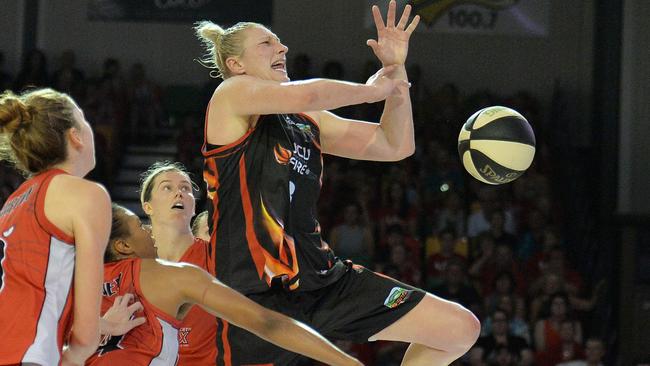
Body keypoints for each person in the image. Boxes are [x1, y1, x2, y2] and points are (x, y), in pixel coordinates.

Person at [195, 1, 480, 365]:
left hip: (323, 280)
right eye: (266, 43)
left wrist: (394, 69)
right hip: (257, 294)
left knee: (459, 328)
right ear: (236, 64)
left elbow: (395, 144)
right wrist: (369, 91)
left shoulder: (305, 119)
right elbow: (308, 93)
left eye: (280, 42)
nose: (282, 48)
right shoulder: (231, 95)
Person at [86, 204, 363, 366]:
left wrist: (98, 327)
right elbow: (267, 322)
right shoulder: (172, 276)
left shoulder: (69, 285)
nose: (147, 230)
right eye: (139, 226)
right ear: (122, 246)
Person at [0, 88, 137, 365]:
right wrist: (73, 356)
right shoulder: (85, 195)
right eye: (84, 119)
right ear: (75, 136)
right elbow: (84, 340)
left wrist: (103, 325)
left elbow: (32, 289)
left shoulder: (13, 202)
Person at [138, 161, 216, 365]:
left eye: (185, 188)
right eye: (167, 187)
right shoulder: (134, 266)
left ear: (193, 207)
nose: (179, 193)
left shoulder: (216, 255)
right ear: (148, 206)